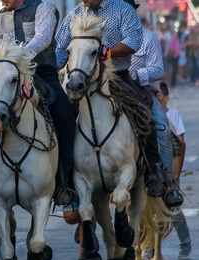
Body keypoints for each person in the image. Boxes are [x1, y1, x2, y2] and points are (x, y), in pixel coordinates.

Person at [56, 0, 167, 202]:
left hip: (118, 76)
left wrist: (107, 52)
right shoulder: (74, 14)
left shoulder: (122, 9)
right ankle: (63, 181)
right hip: (82, 79)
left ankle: (153, 174)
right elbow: (60, 47)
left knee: (145, 113)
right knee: (61, 119)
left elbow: (133, 41)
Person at [0, 0, 78, 206]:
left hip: (41, 72)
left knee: (65, 119)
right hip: (8, 75)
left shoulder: (44, 8)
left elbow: (43, 39)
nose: (2, 1)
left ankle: (65, 182)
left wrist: (15, 59)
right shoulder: (0, 15)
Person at [128, 7, 183, 208]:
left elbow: (157, 70)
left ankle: (167, 182)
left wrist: (135, 74)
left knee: (162, 128)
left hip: (144, 91)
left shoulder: (148, 38)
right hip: (110, 88)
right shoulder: (103, 37)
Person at [157, 82, 192, 260]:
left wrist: (177, 172)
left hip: (172, 168)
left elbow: (181, 142)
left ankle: (185, 243)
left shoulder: (173, 115)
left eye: (160, 97)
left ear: (166, 98)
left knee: (174, 208)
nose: (157, 100)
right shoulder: (149, 114)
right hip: (156, 168)